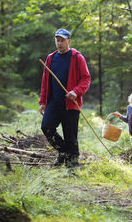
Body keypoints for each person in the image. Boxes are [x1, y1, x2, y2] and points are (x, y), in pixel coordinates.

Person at [39, 28, 91, 168]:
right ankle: (63, 152)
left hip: (71, 104)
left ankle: (72, 166)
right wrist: (43, 102)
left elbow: (86, 79)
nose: (59, 43)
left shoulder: (76, 57)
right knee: (47, 127)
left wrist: (76, 91)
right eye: (57, 40)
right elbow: (45, 82)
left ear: (69, 41)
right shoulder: (50, 58)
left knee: (70, 136)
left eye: (62, 40)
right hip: (54, 103)